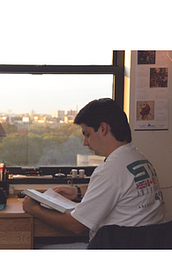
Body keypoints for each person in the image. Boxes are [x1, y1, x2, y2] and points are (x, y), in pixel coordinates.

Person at [22, 98, 164, 244]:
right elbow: (121, 188)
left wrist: (34, 209)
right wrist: (77, 191)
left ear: (103, 129)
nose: (85, 142)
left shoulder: (109, 170)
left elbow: (76, 225)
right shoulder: (137, 158)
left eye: (87, 134)